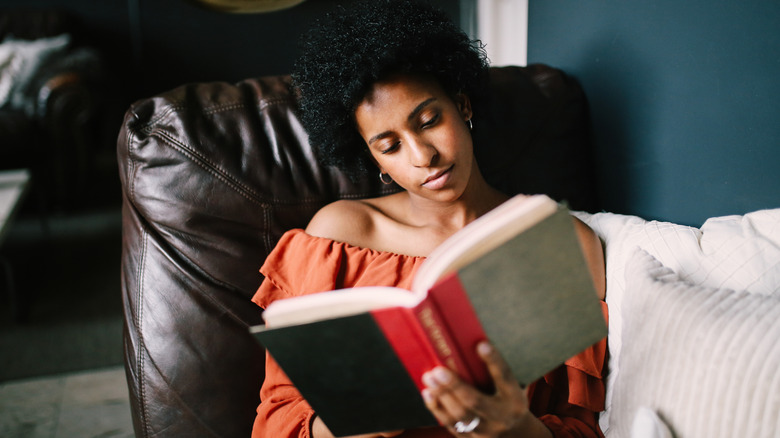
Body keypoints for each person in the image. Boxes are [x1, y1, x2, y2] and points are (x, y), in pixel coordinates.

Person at [251, 1, 607, 437]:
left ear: (463, 106)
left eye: (429, 120)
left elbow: (583, 426)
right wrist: (361, 425)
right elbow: (278, 417)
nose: (424, 157)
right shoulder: (337, 237)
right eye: (390, 145)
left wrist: (515, 426)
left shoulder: (562, 243)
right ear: (374, 159)